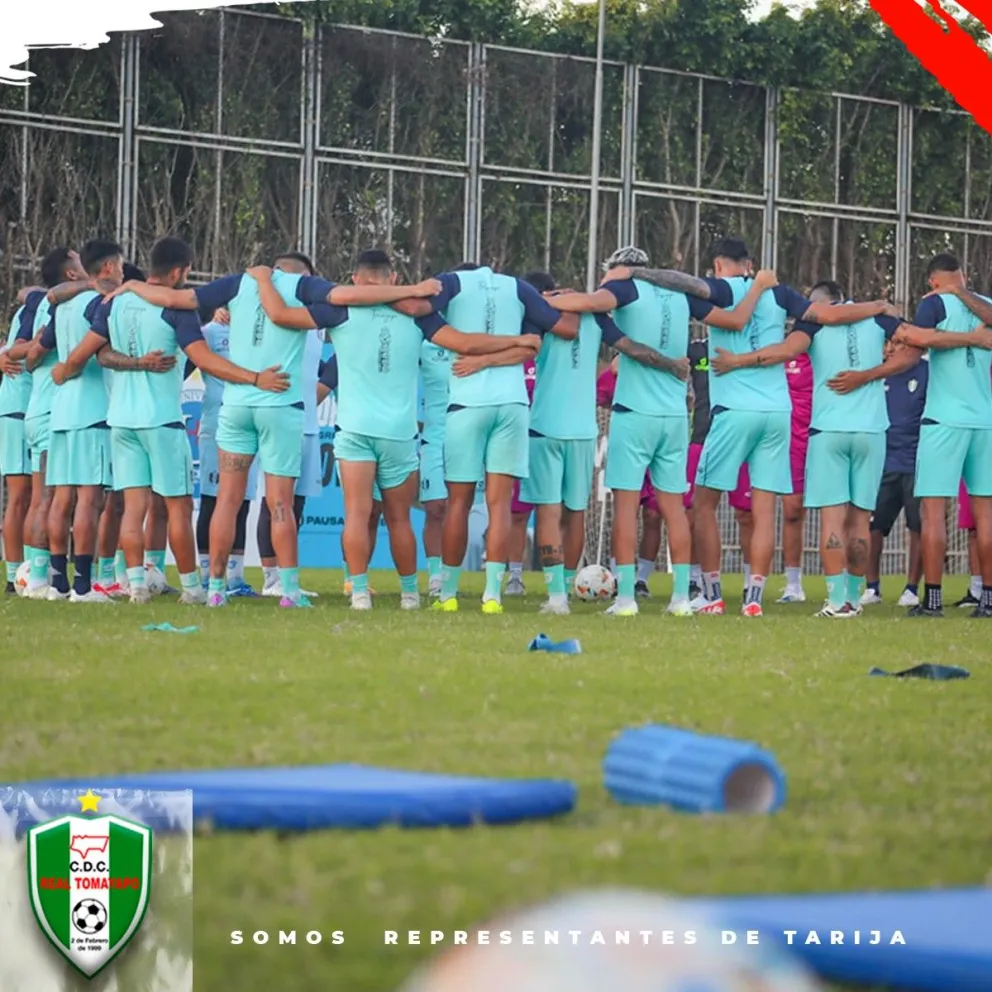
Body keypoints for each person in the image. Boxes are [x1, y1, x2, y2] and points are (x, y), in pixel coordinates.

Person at [252, 250, 540, 611]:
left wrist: (263, 279)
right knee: (399, 519)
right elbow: (466, 343)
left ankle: (359, 592)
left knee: (357, 515)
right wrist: (518, 341)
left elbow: (279, 315)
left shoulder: (339, 310)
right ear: (393, 279)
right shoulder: (416, 316)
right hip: (399, 434)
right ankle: (409, 595)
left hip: (355, 430)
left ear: (355, 280)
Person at [627, 238, 900, 617]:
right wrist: (879, 305)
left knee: (703, 504)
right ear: (750, 263)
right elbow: (830, 315)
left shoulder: (720, 289)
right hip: (776, 412)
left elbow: (683, 285)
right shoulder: (780, 293)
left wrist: (636, 272)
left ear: (718, 265)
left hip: (734, 410)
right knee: (765, 510)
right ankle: (754, 599)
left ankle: (712, 594)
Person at [548, 247, 778, 616]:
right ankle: (681, 599)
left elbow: (588, 302)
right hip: (674, 418)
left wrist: (543, 299)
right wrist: (758, 288)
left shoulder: (623, 288)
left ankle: (625, 599)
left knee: (626, 509)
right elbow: (736, 320)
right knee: (674, 510)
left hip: (634, 413)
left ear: (619, 269)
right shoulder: (681, 295)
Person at [59, 236, 289, 604]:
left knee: (134, 507)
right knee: (177, 507)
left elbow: (94, 353)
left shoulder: (114, 301)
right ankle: (192, 589)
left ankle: (136, 586)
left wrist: (66, 369)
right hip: (161, 420)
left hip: (121, 420)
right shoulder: (175, 307)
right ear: (180, 272)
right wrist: (255, 378)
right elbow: (206, 360)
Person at [457, 267, 685, 615]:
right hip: (584, 430)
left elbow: (521, 349)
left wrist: (482, 359)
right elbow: (631, 348)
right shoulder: (597, 317)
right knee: (575, 513)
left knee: (548, 513)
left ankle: (557, 599)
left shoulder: (539, 316)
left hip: (545, 427)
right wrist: (672, 364)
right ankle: (569, 587)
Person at [711, 279, 915, 617]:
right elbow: (916, 346)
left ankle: (836, 601)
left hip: (828, 431)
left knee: (831, 519)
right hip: (872, 431)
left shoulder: (813, 323)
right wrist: (871, 374)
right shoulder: (879, 319)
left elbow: (784, 352)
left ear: (823, 304)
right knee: (860, 521)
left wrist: (737, 360)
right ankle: (853, 600)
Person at [422, 263, 578, 615]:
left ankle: (447, 594)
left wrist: (480, 362)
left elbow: (440, 326)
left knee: (458, 504)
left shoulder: (452, 286)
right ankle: (492, 595)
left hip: (467, 404)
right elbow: (556, 333)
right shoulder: (518, 289)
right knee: (500, 504)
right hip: (512, 405)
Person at [30, 239, 125, 603]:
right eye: (120, 267)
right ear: (108, 268)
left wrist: (62, 368)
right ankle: (83, 587)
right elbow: (98, 353)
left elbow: (40, 349)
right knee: (89, 499)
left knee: (61, 498)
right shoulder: (99, 302)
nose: (121, 274)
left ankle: (57, 583)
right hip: (92, 408)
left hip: (61, 410)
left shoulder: (63, 305)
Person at [904, 255, 992, 617]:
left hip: (943, 420)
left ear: (932, 282)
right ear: (963, 276)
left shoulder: (933, 304)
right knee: (986, 515)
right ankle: (988, 600)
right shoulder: (985, 305)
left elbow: (916, 341)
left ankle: (933, 600)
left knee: (933, 512)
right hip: (984, 421)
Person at [256, 253, 325, 601]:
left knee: (296, 504)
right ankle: (271, 578)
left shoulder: (318, 318)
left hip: (307, 420)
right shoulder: (266, 312)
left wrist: (322, 390)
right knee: (273, 501)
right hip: (277, 414)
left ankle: (287, 578)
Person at [21, 248, 88, 598]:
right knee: (53, 498)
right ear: (72, 274)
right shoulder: (65, 304)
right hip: (52, 410)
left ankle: (35, 577)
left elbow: (30, 354)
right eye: (78, 261)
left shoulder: (42, 304)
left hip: (37, 408)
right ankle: (39, 580)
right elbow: (36, 351)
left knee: (40, 499)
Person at [196, 306, 260, 597]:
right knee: (212, 500)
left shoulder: (258, 332)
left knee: (241, 501)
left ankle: (235, 578)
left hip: (249, 424)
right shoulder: (210, 332)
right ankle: (207, 575)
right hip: (216, 424)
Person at [862, 344, 928, 607]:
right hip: (882, 462)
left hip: (916, 464)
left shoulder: (928, 372)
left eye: (898, 343)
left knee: (918, 527)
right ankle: (872, 588)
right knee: (872, 527)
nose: (891, 349)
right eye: (887, 343)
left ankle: (911, 589)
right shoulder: (878, 373)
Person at [0, 285, 46, 591]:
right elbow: (19, 346)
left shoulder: (38, 301)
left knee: (32, 496)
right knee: (20, 496)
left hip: (29, 409)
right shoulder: (37, 305)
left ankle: (27, 574)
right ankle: (13, 577)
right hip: (19, 407)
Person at [505, 356, 537, 596]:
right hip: (519, 444)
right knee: (518, 514)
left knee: (559, 513)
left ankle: (563, 581)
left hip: (551, 439)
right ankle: (514, 577)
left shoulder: (555, 357)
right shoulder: (514, 359)